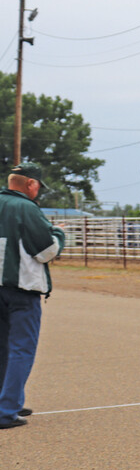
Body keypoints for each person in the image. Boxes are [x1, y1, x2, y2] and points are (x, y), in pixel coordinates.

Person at [0, 163, 65, 430]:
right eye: (38, 185)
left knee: (2, 347)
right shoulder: (26, 208)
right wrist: (59, 232)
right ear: (30, 184)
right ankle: (6, 410)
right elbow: (46, 250)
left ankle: (9, 400)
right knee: (21, 349)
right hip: (22, 289)